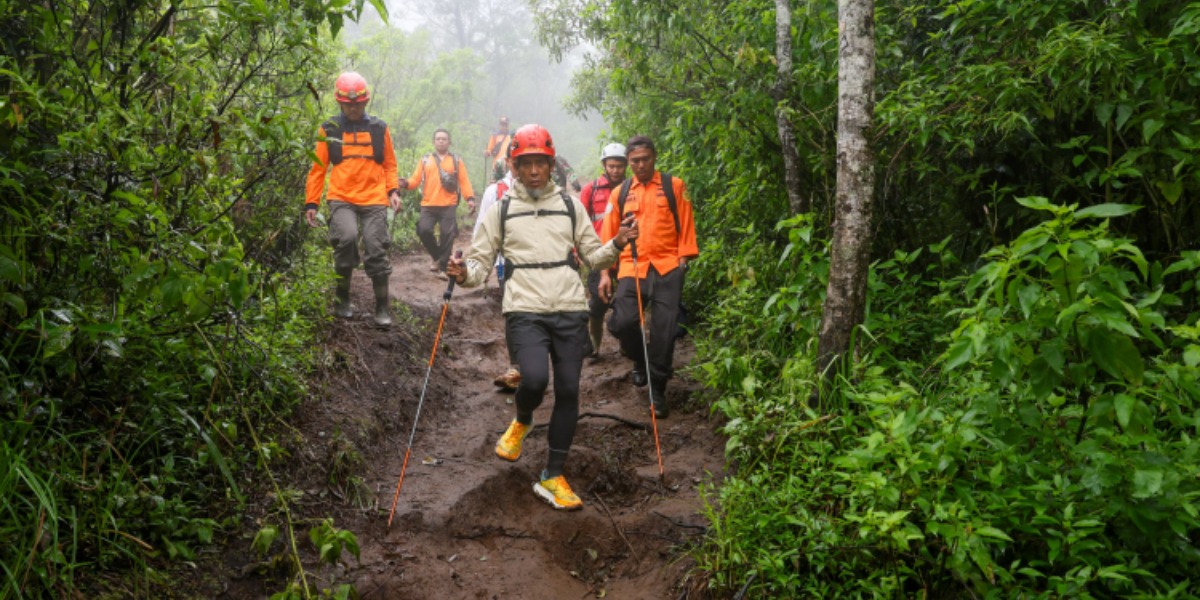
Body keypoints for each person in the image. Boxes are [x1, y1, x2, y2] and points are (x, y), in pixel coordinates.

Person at [447, 124, 638, 511]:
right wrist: (463, 273)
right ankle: (522, 418)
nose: (534, 171)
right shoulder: (501, 211)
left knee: (569, 391)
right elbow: (480, 263)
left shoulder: (570, 206)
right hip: (524, 309)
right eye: (526, 164)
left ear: (551, 166)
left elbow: (592, 253)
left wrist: (616, 243)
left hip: (569, 307)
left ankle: (552, 475)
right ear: (514, 168)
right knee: (533, 379)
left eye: (540, 163)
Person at [598, 136, 698, 418]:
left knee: (664, 332)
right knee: (621, 322)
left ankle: (658, 389)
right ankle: (639, 360)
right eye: (635, 161)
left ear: (654, 157)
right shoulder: (620, 193)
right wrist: (606, 273)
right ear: (628, 163)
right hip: (633, 266)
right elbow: (608, 236)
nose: (640, 165)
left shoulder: (673, 186)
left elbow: (687, 223)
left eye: (645, 159)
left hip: (668, 267)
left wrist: (682, 261)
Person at [304, 72, 401, 326]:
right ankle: (342, 298)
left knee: (376, 247)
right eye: (348, 104)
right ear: (340, 102)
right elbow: (318, 169)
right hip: (341, 197)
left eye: (358, 103)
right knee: (346, 239)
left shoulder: (379, 128)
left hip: (374, 198)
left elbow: (390, 164)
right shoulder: (329, 129)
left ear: (365, 101)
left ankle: (382, 306)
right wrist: (311, 202)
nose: (353, 107)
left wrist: (393, 191)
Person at [473, 150, 522, 391]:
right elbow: (482, 226)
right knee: (512, 309)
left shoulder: (546, 190)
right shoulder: (495, 192)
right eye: (515, 160)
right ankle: (517, 367)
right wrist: (478, 263)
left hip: (540, 265)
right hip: (505, 261)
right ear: (507, 163)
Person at [400, 129, 476, 278]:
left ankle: (443, 268)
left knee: (447, 235)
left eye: (444, 139)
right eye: (438, 139)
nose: (441, 141)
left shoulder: (456, 160)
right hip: (428, 203)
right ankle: (437, 256)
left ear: (449, 142)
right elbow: (415, 180)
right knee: (423, 230)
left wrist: (470, 198)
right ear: (433, 142)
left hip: (448, 204)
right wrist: (405, 183)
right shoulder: (425, 159)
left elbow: (464, 181)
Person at [578, 143, 628, 359]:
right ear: (604, 165)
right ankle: (595, 346)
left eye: (619, 166)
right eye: (611, 165)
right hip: (599, 255)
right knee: (597, 304)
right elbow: (579, 222)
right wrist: (576, 251)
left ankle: (627, 346)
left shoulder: (632, 188)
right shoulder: (591, 189)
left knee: (628, 303)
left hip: (626, 255)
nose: (615, 170)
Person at [483, 116, 511, 184]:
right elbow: (489, 148)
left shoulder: (512, 136)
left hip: (508, 167)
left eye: (505, 124)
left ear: (508, 125)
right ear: (499, 125)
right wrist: (487, 152)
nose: (504, 126)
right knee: (494, 185)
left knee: (507, 186)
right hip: (496, 166)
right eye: (502, 124)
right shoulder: (495, 136)